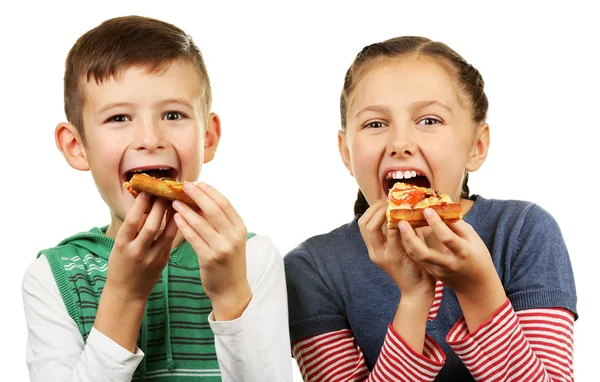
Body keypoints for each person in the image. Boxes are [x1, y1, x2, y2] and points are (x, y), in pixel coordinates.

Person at [284, 36, 577, 381]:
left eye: (429, 120)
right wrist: (414, 297)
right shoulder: (312, 268)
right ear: (346, 152)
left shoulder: (523, 232)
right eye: (375, 124)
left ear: (477, 146)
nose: (400, 143)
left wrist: (477, 288)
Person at [22, 15, 291, 381]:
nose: (150, 138)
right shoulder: (54, 277)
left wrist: (231, 295)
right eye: (118, 118)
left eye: (173, 114)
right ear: (76, 146)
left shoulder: (253, 258)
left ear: (208, 137)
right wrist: (125, 296)